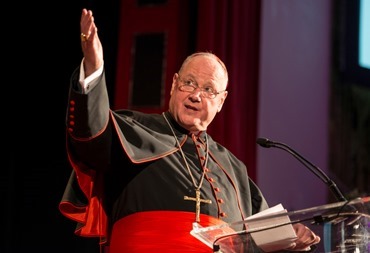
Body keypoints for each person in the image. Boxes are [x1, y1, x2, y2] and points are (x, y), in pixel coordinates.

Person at [59, 8, 321, 253]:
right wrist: (94, 70)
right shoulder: (132, 130)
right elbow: (89, 134)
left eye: (208, 90)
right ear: (174, 85)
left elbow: (255, 238)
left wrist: (287, 238)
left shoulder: (233, 169)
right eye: (188, 83)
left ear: (221, 101)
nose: (196, 95)